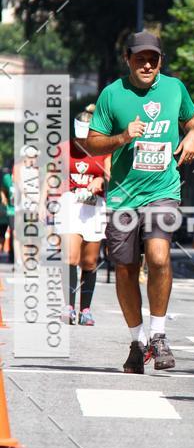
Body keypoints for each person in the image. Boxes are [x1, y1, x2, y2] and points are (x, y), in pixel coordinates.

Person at [86, 30, 194, 373]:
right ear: (128, 60)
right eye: (140, 58)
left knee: (158, 255)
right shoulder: (112, 94)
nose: (147, 64)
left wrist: (193, 132)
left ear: (160, 61)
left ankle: (159, 335)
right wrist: (122, 137)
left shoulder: (174, 88)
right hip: (123, 196)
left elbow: (192, 118)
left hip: (162, 191)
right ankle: (137, 342)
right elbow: (92, 143)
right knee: (124, 268)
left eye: (153, 58)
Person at [56, 104, 111, 325]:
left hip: (95, 206)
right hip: (70, 203)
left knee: (89, 262)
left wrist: (101, 180)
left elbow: (112, 176)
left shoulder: (104, 149)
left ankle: (85, 309)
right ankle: (68, 306)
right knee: (71, 257)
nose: (81, 143)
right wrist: (43, 202)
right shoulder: (64, 148)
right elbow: (51, 175)